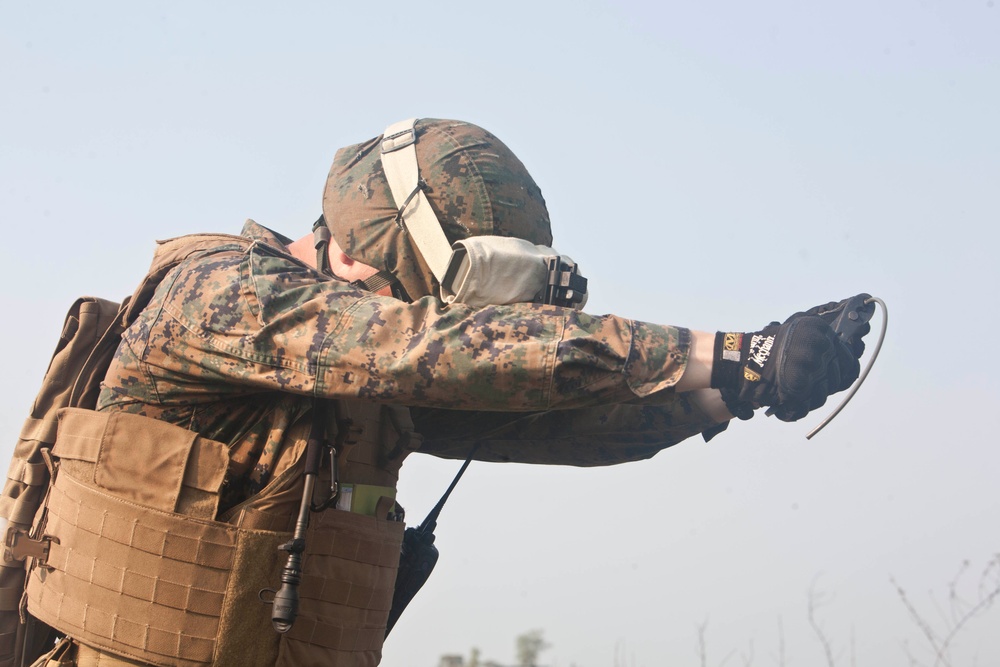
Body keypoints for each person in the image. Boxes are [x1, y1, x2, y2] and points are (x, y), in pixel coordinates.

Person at [11, 118, 867, 667]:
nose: (449, 323)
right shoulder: (223, 293)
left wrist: (735, 390)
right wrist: (718, 351)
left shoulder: (365, 373)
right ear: (355, 256)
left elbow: (554, 422)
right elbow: (428, 350)